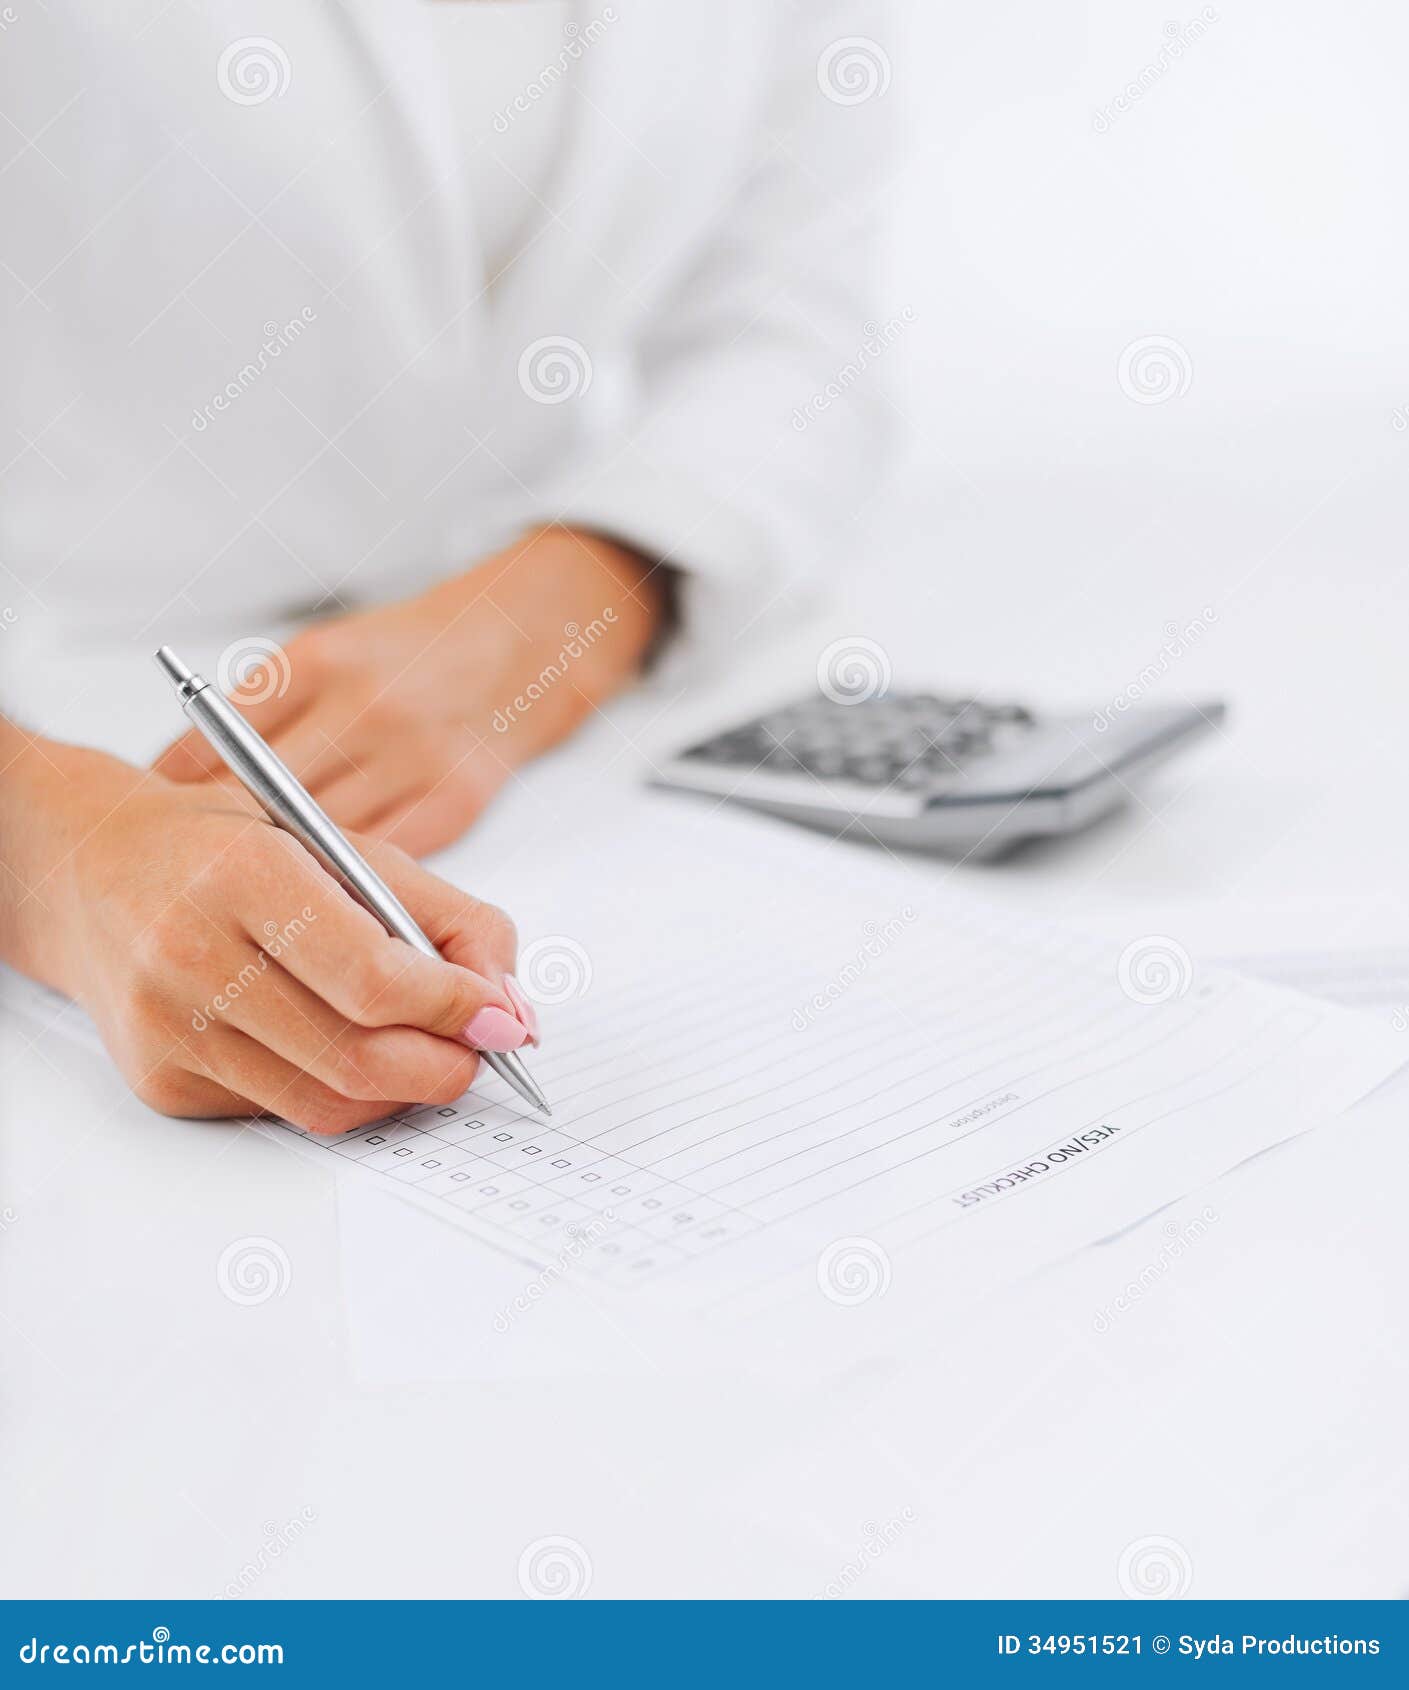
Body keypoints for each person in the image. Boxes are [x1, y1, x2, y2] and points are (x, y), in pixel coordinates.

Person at [0, 3, 894, 1129]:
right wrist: (54, 858)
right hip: (78, 725)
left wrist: (555, 614)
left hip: (590, 755)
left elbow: (790, 330)